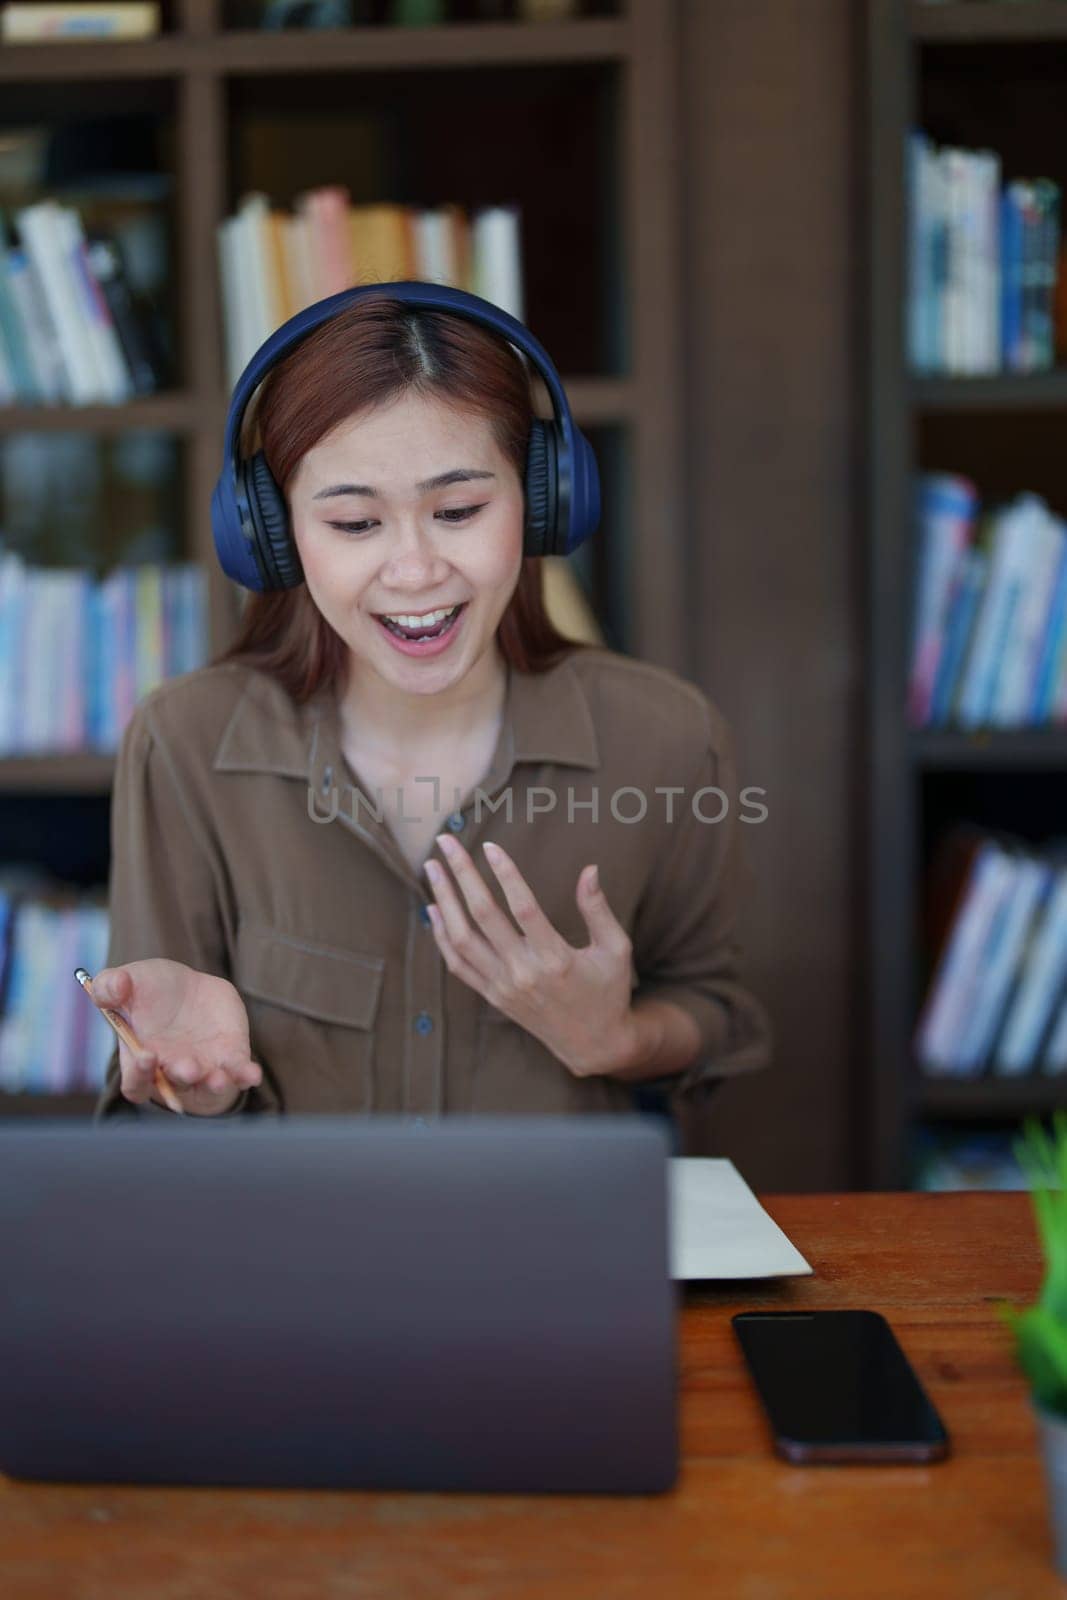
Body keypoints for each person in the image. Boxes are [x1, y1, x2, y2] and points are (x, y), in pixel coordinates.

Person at [91, 287, 772, 1124]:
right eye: (352, 523)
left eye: (457, 511)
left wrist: (618, 1038)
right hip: (295, 1249)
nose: (413, 571)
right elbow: (151, 1127)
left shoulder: (666, 739)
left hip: (552, 1247)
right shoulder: (184, 744)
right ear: (272, 535)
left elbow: (719, 1011)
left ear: (541, 501)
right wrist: (189, 1092)